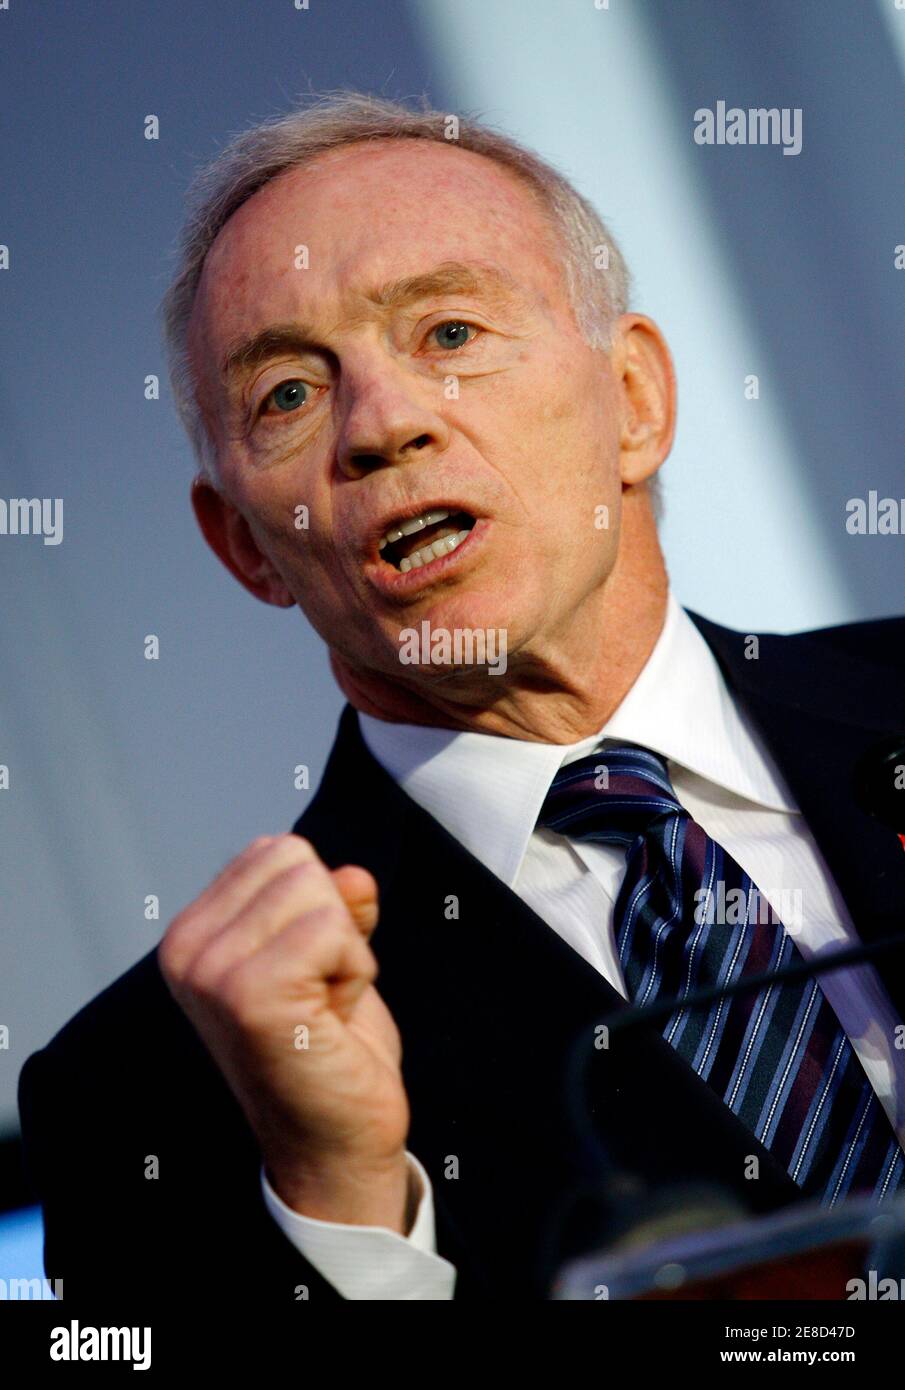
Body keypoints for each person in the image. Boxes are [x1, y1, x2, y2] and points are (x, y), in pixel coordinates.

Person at [18, 92, 905, 1302]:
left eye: (445, 333)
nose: (381, 425)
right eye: (287, 393)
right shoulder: (156, 1091)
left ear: (633, 401)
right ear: (243, 548)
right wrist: (342, 1201)